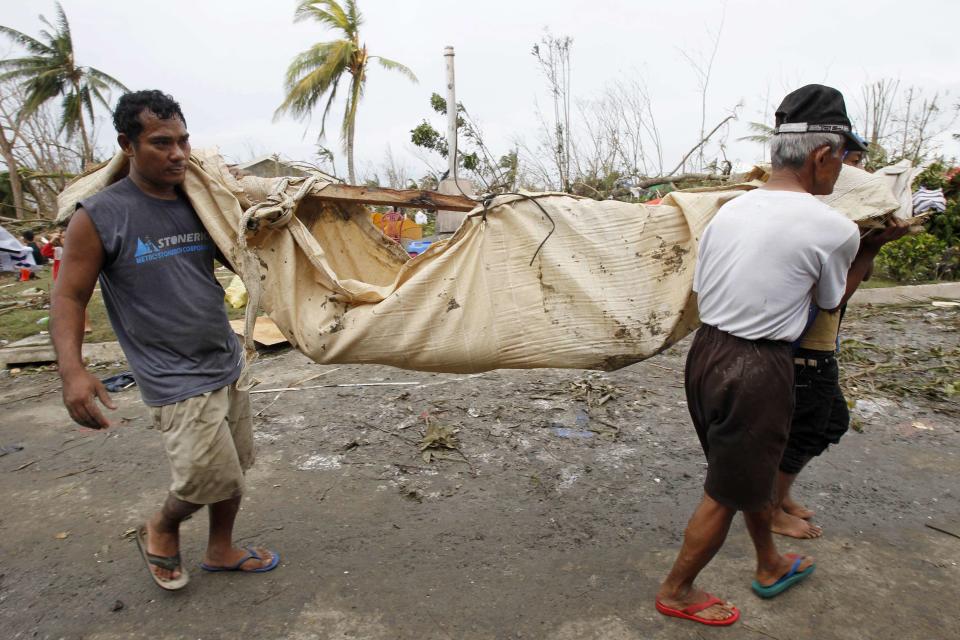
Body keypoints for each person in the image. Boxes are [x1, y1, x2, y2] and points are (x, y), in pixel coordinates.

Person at [655, 85, 869, 626]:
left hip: (705, 355)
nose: (842, 171)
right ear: (823, 155)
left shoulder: (729, 211)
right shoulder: (835, 228)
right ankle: (677, 591)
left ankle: (769, 562)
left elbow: (704, 289)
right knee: (725, 491)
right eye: (843, 158)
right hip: (757, 367)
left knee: (747, 472)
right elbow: (827, 302)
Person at [50, 89, 278, 591]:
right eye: (161, 142)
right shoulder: (101, 215)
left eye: (183, 140)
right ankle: (163, 525)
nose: (177, 153)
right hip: (171, 373)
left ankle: (221, 548)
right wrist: (72, 371)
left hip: (224, 357)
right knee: (203, 476)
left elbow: (244, 257)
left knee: (234, 467)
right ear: (127, 145)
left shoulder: (201, 203)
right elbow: (68, 297)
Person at [773, 149, 910, 539]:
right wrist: (869, 247)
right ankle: (772, 508)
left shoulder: (838, 224)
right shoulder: (820, 226)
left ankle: (779, 497)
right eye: (852, 160)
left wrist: (871, 242)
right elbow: (833, 298)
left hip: (814, 347)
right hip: (808, 350)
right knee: (809, 428)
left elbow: (859, 278)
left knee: (823, 423)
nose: (859, 169)